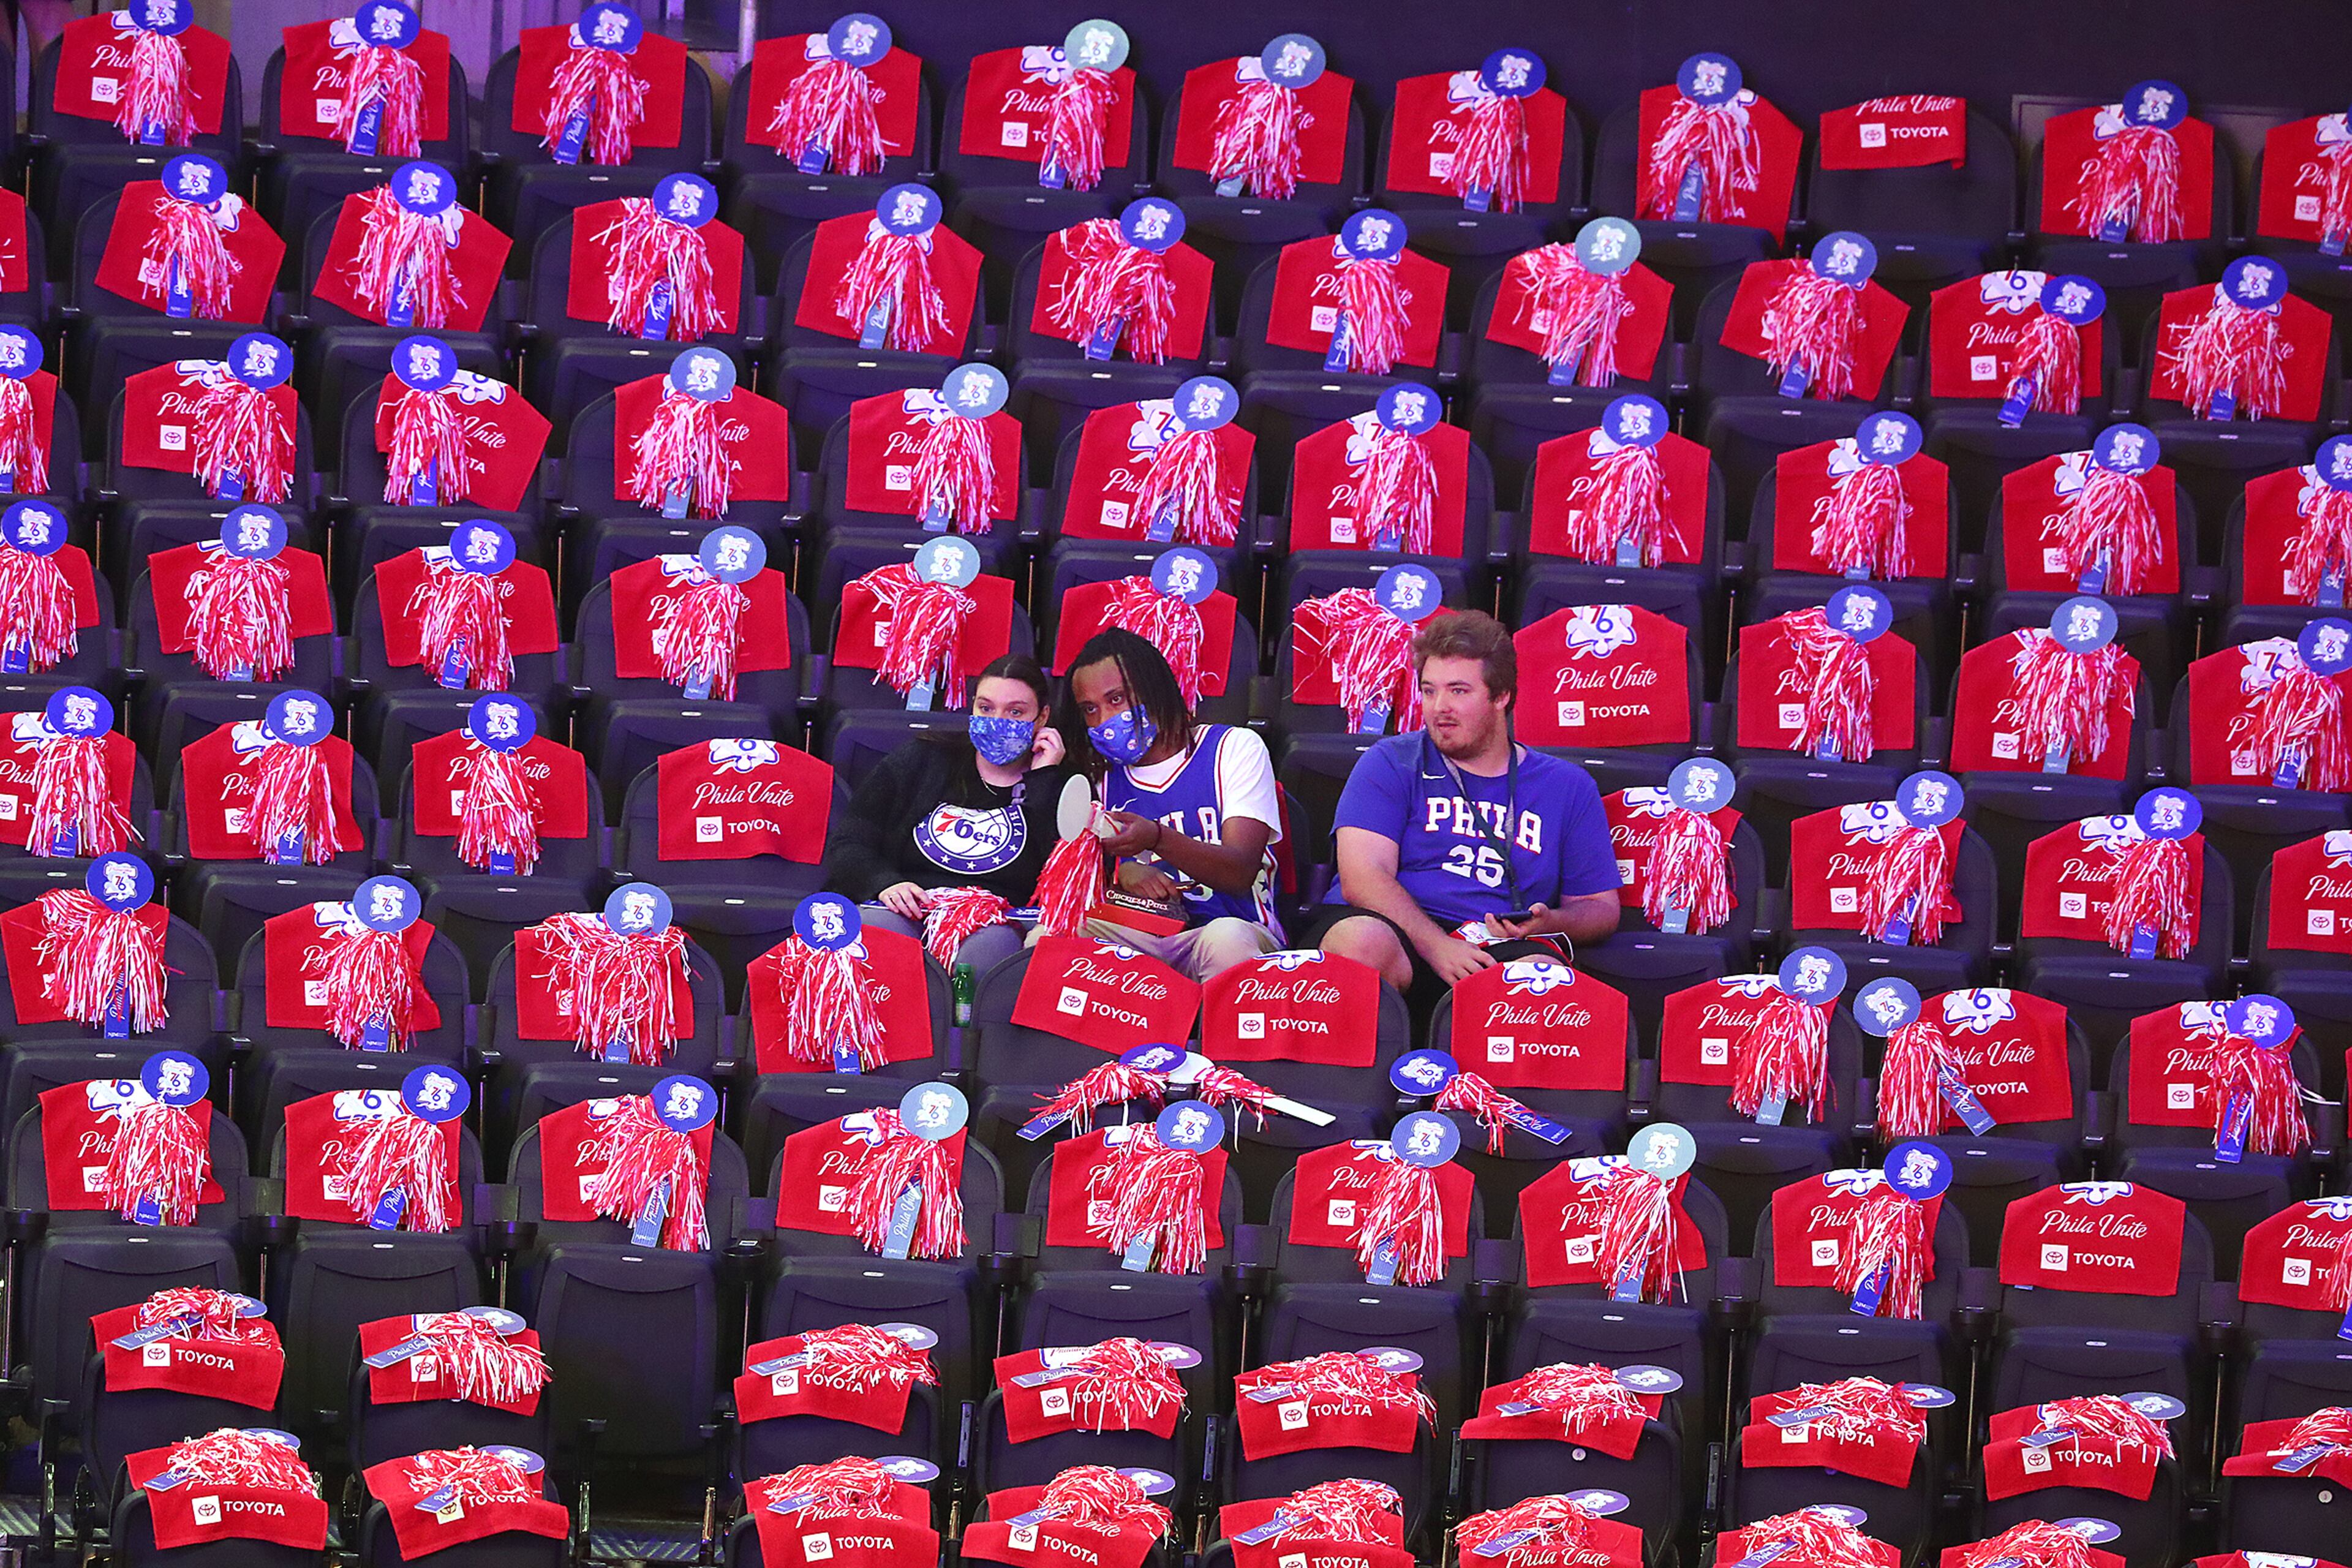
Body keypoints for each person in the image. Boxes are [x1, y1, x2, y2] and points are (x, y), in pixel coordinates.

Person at [1303, 610, 1621, 1004]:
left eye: (1458, 691)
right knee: (1360, 942)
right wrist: (1437, 946)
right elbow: (1362, 877)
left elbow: (1601, 909)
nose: (1439, 708)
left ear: (1501, 696)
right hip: (1396, 930)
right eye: (1429, 690)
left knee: (1545, 980)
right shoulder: (1391, 761)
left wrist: (1550, 922)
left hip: (1494, 943)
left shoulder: (1568, 787)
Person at [820, 654, 1071, 977]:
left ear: (1042, 718)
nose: (998, 720)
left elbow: (1064, 876)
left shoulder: (1061, 785)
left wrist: (1044, 782)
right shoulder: (923, 758)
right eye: (986, 708)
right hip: (909, 907)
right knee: (874, 939)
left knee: (984, 961)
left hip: (995, 921)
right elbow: (850, 840)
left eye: (1016, 712)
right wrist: (884, 883)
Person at [1062, 628, 1282, 981]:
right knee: (1051, 938)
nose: (1104, 720)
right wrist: (1118, 874)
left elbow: (1240, 872)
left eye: (1116, 699)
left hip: (1236, 929)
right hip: (1140, 936)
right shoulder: (1100, 778)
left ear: (1155, 689)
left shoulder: (1233, 748)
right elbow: (1078, 883)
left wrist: (1157, 839)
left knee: (1225, 938)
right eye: (1090, 709)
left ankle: (1226, 1036)